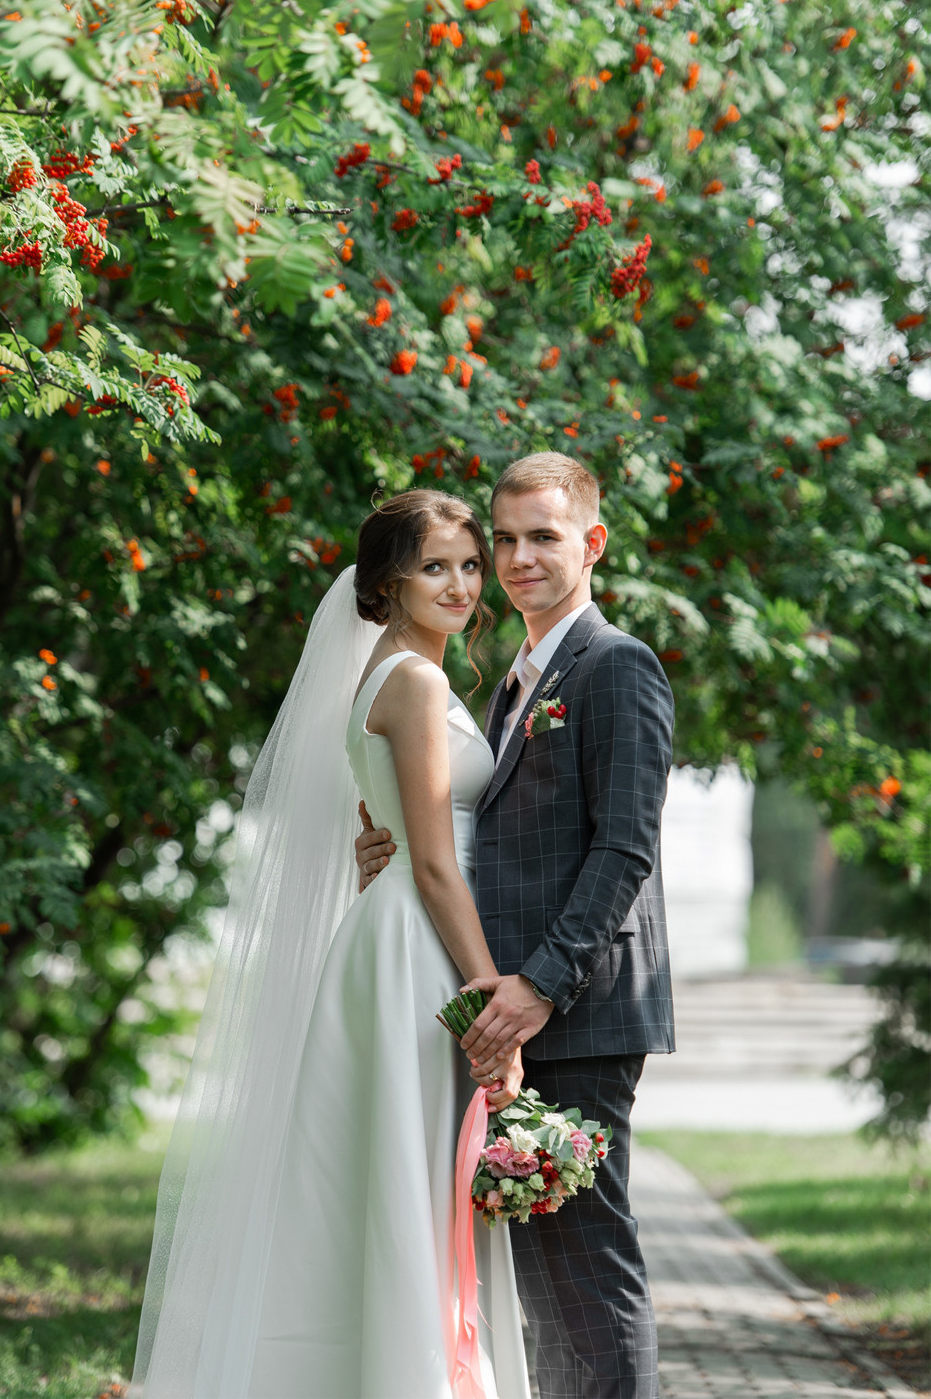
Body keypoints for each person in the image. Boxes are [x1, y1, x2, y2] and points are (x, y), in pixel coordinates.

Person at [134, 489, 530, 1398]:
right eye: (435, 567)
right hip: (422, 944)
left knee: (390, 1176)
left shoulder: (389, 674)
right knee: (410, 1179)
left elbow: (389, 831)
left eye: (471, 566)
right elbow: (434, 866)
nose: (462, 585)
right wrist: (493, 1004)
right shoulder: (415, 682)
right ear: (388, 581)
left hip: (395, 933)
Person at [355, 451, 673, 1398]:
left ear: (592, 543)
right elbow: (480, 827)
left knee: (588, 1272)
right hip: (506, 1002)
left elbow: (624, 849)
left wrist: (536, 987)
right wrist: (388, 852)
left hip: (572, 1003)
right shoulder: (510, 682)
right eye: (505, 539)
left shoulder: (615, 665)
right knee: (542, 1286)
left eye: (544, 536)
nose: (518, 558)